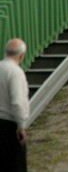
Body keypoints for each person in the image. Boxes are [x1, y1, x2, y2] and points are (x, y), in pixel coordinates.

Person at [0, 38, 29, 172]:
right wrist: (21, 126)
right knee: (16, 166)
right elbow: (17, 102)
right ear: (21, 55)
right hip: (9, 125)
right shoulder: (15, 72)